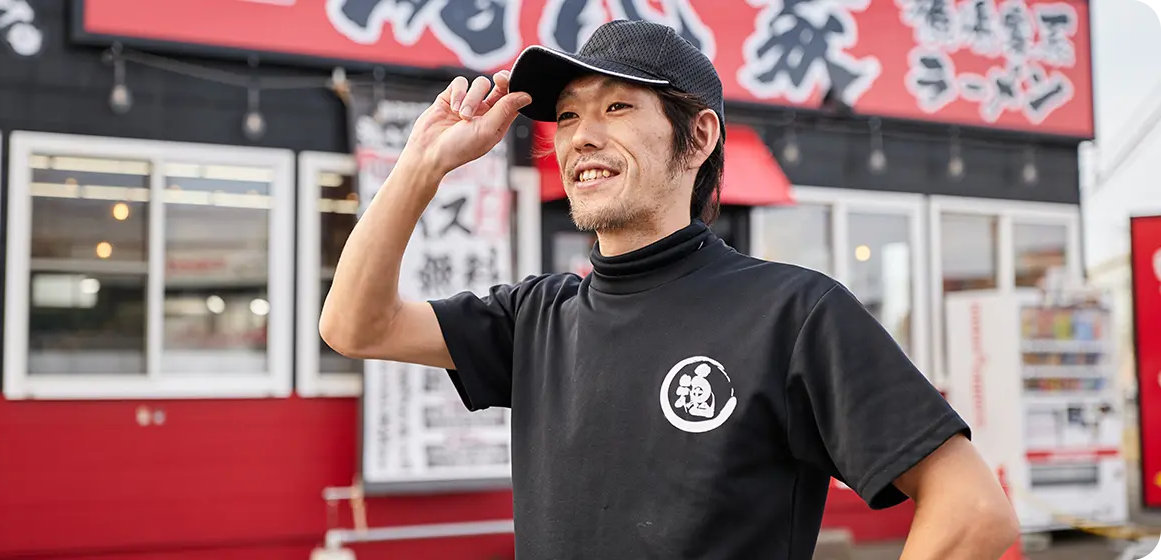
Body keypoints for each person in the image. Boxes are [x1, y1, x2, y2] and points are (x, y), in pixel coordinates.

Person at [321, 19, 1021, 560]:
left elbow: (972, 511)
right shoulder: (537, 318)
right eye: (569, 115)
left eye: (617, 107)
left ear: (697, 138)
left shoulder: (793, 314)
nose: (581, 137)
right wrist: (420, 166)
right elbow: (355, 326)